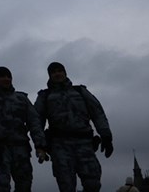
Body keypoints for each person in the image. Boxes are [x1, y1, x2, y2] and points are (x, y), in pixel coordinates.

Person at [35, 62, 113, 192]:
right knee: (66, 185)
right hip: (60, 146)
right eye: (54, 72)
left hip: (84, 144)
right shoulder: (45, 96)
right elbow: (37, 121)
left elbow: (97, 112)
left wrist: (106, 136)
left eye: (60, 71)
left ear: (65, 73)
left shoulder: (80, 91)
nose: (57, 74)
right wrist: (40, 144)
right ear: (50, 76)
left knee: (93, 183)